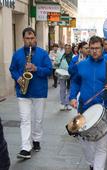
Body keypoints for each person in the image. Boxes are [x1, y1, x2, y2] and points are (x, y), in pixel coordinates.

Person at [69, 36, 107, 170]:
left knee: (101, 145)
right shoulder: (80, 65)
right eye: (91, 48)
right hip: (84, 110)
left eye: (97, 48)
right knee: (85, 143)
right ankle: (91, 164)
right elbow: (75, 81)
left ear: (102, 48)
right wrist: (72, 97)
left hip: (104, 110)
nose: (94, 51)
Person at [9, 27, 52, 159]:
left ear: (35, 38)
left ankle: (36, 139)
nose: (30, 41)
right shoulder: (17, 54)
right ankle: (25, 148)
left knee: (38, 120)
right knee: (25, 120)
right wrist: (18, 78)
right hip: (23, 92)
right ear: (23, 39)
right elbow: (12, 69)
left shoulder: (43, 54)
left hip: (39, 91)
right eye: (27, 38)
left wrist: (36, 68)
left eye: (32, 38)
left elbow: (49, 70)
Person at [56, 44, 74, 111]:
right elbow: (57, 63)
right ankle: (62, 103)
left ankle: (67, 103)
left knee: (70, 89)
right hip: (62, 75)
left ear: (70, 49)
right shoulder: (61, 56)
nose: (67, 49)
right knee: (62, 89)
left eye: (68, 48)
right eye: (66, 48)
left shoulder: (74, 57)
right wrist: (56, 63)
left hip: (71, 75)